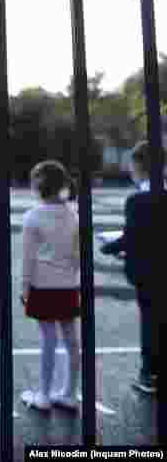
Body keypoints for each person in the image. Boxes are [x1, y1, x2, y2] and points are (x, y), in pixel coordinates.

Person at [101, 139, 162, 394]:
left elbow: (133, 237)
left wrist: (109, 247)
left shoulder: (138, 201)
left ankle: (150, 374)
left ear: (140, 166)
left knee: (151, 322)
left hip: (149, 273)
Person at [19, 160, 81, 411]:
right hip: (67, 284)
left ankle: (43, 395)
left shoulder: (33, 216)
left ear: (38, 186)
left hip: (42, 285)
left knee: (48, 339)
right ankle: (69, 393)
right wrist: (71, 276)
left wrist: (24, 287)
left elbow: (28, 257)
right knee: (71, 340)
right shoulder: (73, 215)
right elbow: (78, 255)